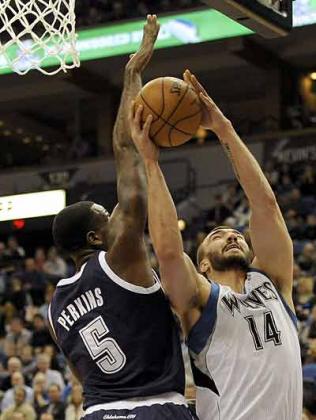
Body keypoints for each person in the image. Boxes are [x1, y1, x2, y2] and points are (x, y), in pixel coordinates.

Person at [129, 69, 302, 420]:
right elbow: (168, 252)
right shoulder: (199, 300)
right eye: (216, 236)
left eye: (234, 233)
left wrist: (222, 126)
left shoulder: (274, 283)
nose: (232, 234)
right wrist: (150, 162)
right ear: (203, 264)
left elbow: (265, 205)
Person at [48, 16, 194, 420]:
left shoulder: (56, 304)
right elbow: (127, 153)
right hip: (155, 408)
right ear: (97, 236)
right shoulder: (120, 259)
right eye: (105, 214)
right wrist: (133, 71)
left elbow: (83, 373)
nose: (114, 213)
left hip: (98, 414)